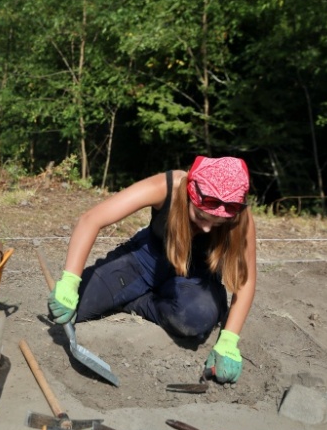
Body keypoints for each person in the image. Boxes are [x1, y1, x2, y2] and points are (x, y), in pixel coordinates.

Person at [47, 156, 256, 383]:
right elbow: (91, 219)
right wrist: (69, 282)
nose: (206, 228)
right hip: (146, 259)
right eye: (200, 216)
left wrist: (228, 341)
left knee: (194, 319)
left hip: (195, 277)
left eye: (216, 224)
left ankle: (135, 301)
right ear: (189, 196)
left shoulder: (239, 217)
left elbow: (246, 281)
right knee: (73, 307)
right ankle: (133, 293)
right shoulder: (168, 187)